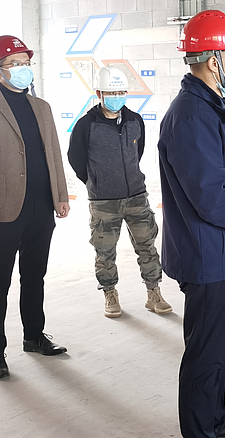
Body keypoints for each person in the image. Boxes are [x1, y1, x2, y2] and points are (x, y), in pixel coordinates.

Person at [159, 10, 225, 438]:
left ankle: (216, 419)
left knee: (221, 345)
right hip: (206, 256)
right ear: (214, 60)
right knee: (205, 354)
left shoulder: (211, 108)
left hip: (221, 252)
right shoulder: (191, 116)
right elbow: (212, 196)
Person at [0, 35, 70, 380]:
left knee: (35, 276)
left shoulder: (42, 108)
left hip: (41, 206)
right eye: (14, 64)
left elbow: (54, 155)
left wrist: (61, 195)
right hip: (4, 210)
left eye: (26, 63)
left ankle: (34, 336)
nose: (23, 69)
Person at [67, 66, 171, 318]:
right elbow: (75, 158)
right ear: (99, 93)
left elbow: (138, 152)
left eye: (121, 92)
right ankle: (110, 294)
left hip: (136, 196)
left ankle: (154, 293)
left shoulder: (135, 120)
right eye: (111, 92)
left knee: (147, 246)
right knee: (105, 252)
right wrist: (95, 181)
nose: (117, 97)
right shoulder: (86, 125)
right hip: (104, 201)